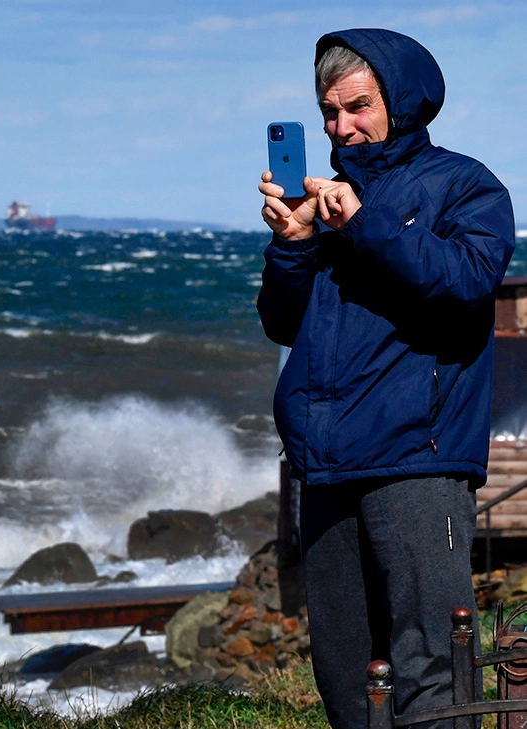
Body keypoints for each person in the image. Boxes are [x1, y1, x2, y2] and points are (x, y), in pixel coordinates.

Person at [256, 28, 515, 729]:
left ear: (400, 103)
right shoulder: (328, 202)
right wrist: (293, 245)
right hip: (326, 464)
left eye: (358, 106)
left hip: (416, 459)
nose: (341, 126)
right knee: (346, 676)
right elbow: (283, 323)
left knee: (430, 663)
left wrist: (366, 225)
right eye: (329, 111)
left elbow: (467, 279)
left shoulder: (466, 185)